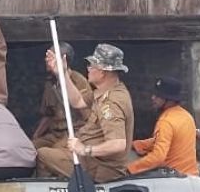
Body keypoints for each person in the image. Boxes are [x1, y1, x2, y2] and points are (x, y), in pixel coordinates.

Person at [35, 44, 134, 183]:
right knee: (57, 147)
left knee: (42, 155)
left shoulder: (110, 103)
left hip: (99, 167)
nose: (88, 68)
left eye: (92, 66)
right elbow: (77, 101)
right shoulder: (105, 91)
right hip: (91, 160)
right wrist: (62, 74)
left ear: (103, 71)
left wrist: (85, 150)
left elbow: (118, 144)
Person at [127, 76, 199, 177]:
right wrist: (138, 145)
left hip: (173, 178)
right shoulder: (186, 116)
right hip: (191, 175)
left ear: (169, 100)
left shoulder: (166, 121)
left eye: (157, 96)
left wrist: (130, 168)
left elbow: (158, 157)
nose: (153, 98)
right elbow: (165, 140)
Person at [32, 43, 92, 151]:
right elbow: (48, 115)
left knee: (49, 153)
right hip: (55, 133)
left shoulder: (78, 81)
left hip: (74, 133)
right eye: (47, 56)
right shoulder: (50, 83)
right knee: (30, 148)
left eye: (50, 57)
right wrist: (35, 136)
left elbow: (87, 116)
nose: (46, 60)